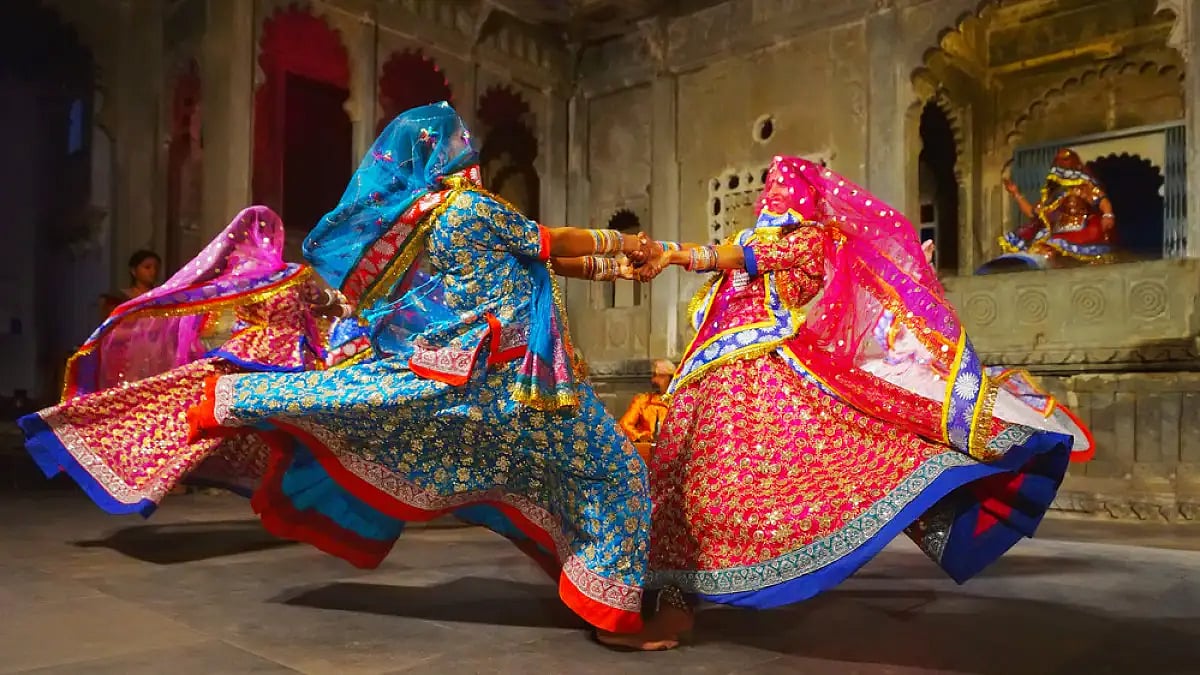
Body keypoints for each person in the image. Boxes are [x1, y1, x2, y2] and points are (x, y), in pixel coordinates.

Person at [189, 102, 674, 649]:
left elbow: (549, 261)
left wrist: (630, 264)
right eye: (458, 140)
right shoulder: (470, 207)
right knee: (619, 475)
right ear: (445, 151)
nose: (467, 147)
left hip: (492, 377)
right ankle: (615, 616)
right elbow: (553, 242)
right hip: (523, 382)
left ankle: (233, 396)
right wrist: (626, 242)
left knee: (375, 401)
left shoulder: (427, 220)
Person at [620, 155, 1093, 648]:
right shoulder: (745, 238)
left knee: (790, 478)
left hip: (757, 375)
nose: (774, 192)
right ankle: (671, 601)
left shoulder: (808, 239)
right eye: (771, 185)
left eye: (787, 185)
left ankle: (942, 496)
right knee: (674, 481)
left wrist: (675, 254)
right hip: (701, 374)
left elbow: (739, 260)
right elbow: (731, 262)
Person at [19, 206, 344, 515]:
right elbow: (324, 303)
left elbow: (235, 321)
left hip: (246, 357)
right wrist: (348, 302)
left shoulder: (243, 282)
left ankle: (82, 432)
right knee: (319, 425)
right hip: (294, 365)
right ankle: (319, 495)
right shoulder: (294, 276)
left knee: (179, 403)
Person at [980, 148, 1116, 273]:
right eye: (1058, 160)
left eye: (1065, 159)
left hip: (1079, 230)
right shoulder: (1053, 193)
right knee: (1039, 248)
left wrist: (1108, 214)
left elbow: (1102, 200)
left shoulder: (1084, 185)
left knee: (1050, 249)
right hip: (1056, 230)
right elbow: (1033, 213)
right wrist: (1016, 194)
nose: (1061, 164)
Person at [101, 249, 162, 318]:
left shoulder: (162, 297)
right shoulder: (119, 298)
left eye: (156, 268)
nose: (153, 271)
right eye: (147, 267)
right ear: (133, 271)